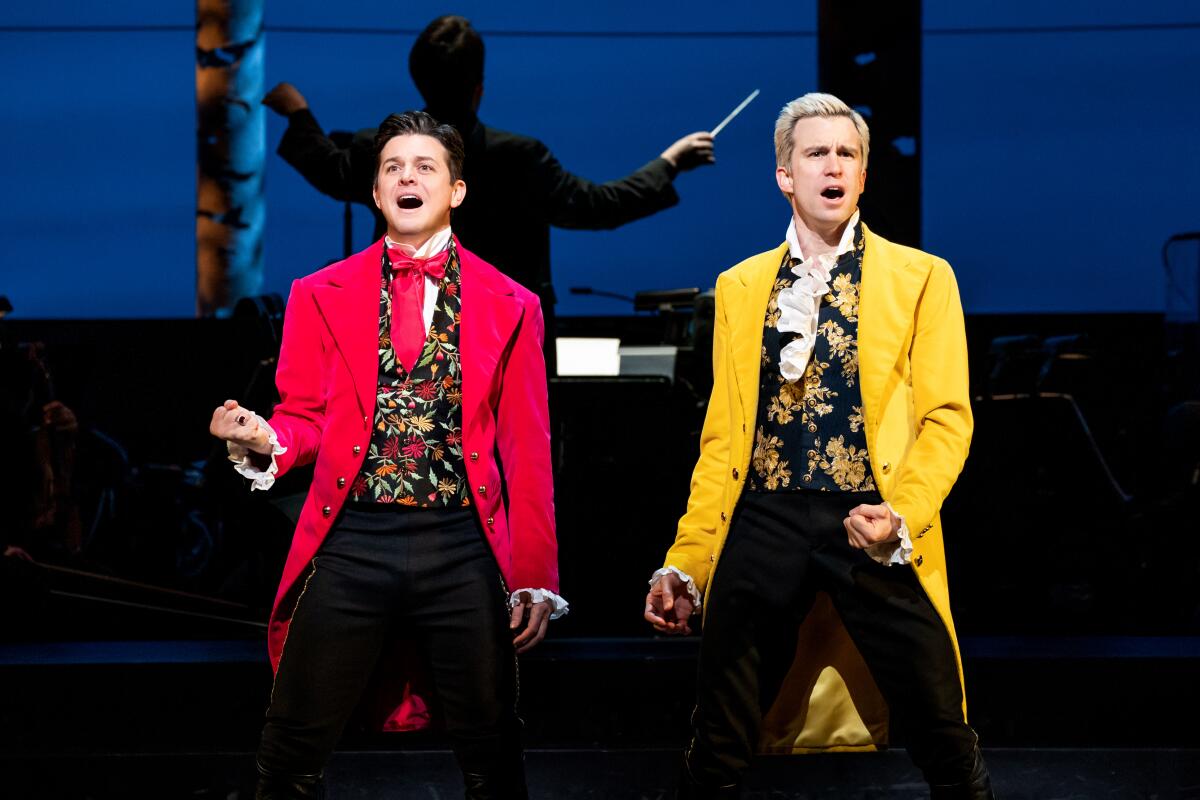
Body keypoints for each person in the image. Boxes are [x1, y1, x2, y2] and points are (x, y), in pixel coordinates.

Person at [643, 93, 995, 799]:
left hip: (869, 519)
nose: (832, 166)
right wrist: (685, 560)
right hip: (766, 516)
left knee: (938, 718)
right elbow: (722, 438)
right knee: (720, 729)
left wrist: (901, 512)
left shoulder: (921, 277)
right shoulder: (741, 286)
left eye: (847, 154)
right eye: (816, 153)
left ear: (862, 175)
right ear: (785, 174)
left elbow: (947, 419)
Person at [210, 110, 564, 799]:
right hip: (354, 538)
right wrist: (267, 441)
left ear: (456, 190)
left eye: (425, 166)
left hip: (461, 542)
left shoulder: (512, 303)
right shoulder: (319, 294)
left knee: (492, 749)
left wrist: (534, 573)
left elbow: (527, 450)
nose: (407, 177)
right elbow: (305, 418)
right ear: (375, 193)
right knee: (289, 745)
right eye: (392, 168)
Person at [262, 14, 714, 339]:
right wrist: (669, 162)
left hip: (408, 332)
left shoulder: (384, 153)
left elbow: (329, 167)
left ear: (417, 79)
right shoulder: (520, 157)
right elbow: (598, 206)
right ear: (479, 86)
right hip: (508, 334)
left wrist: (298, 114)